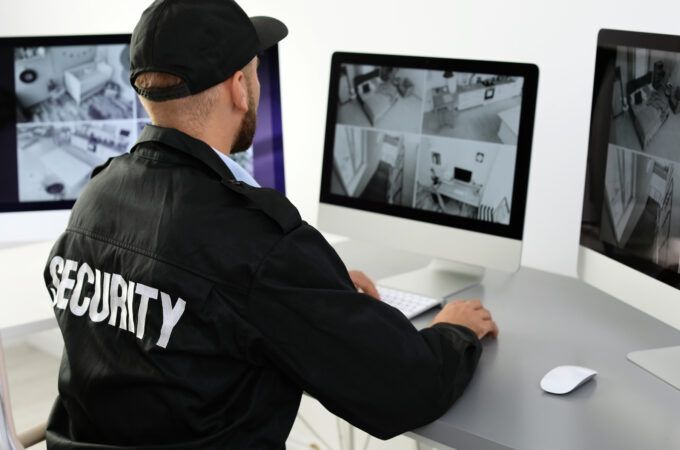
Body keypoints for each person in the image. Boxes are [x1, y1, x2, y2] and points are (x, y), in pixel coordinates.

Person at [42, 0, 499, 448]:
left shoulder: (95, 197)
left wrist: (318, 291)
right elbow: (407, 390)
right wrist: (454, 330)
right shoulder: (255, 239)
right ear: (239, 88)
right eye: (255, 71)